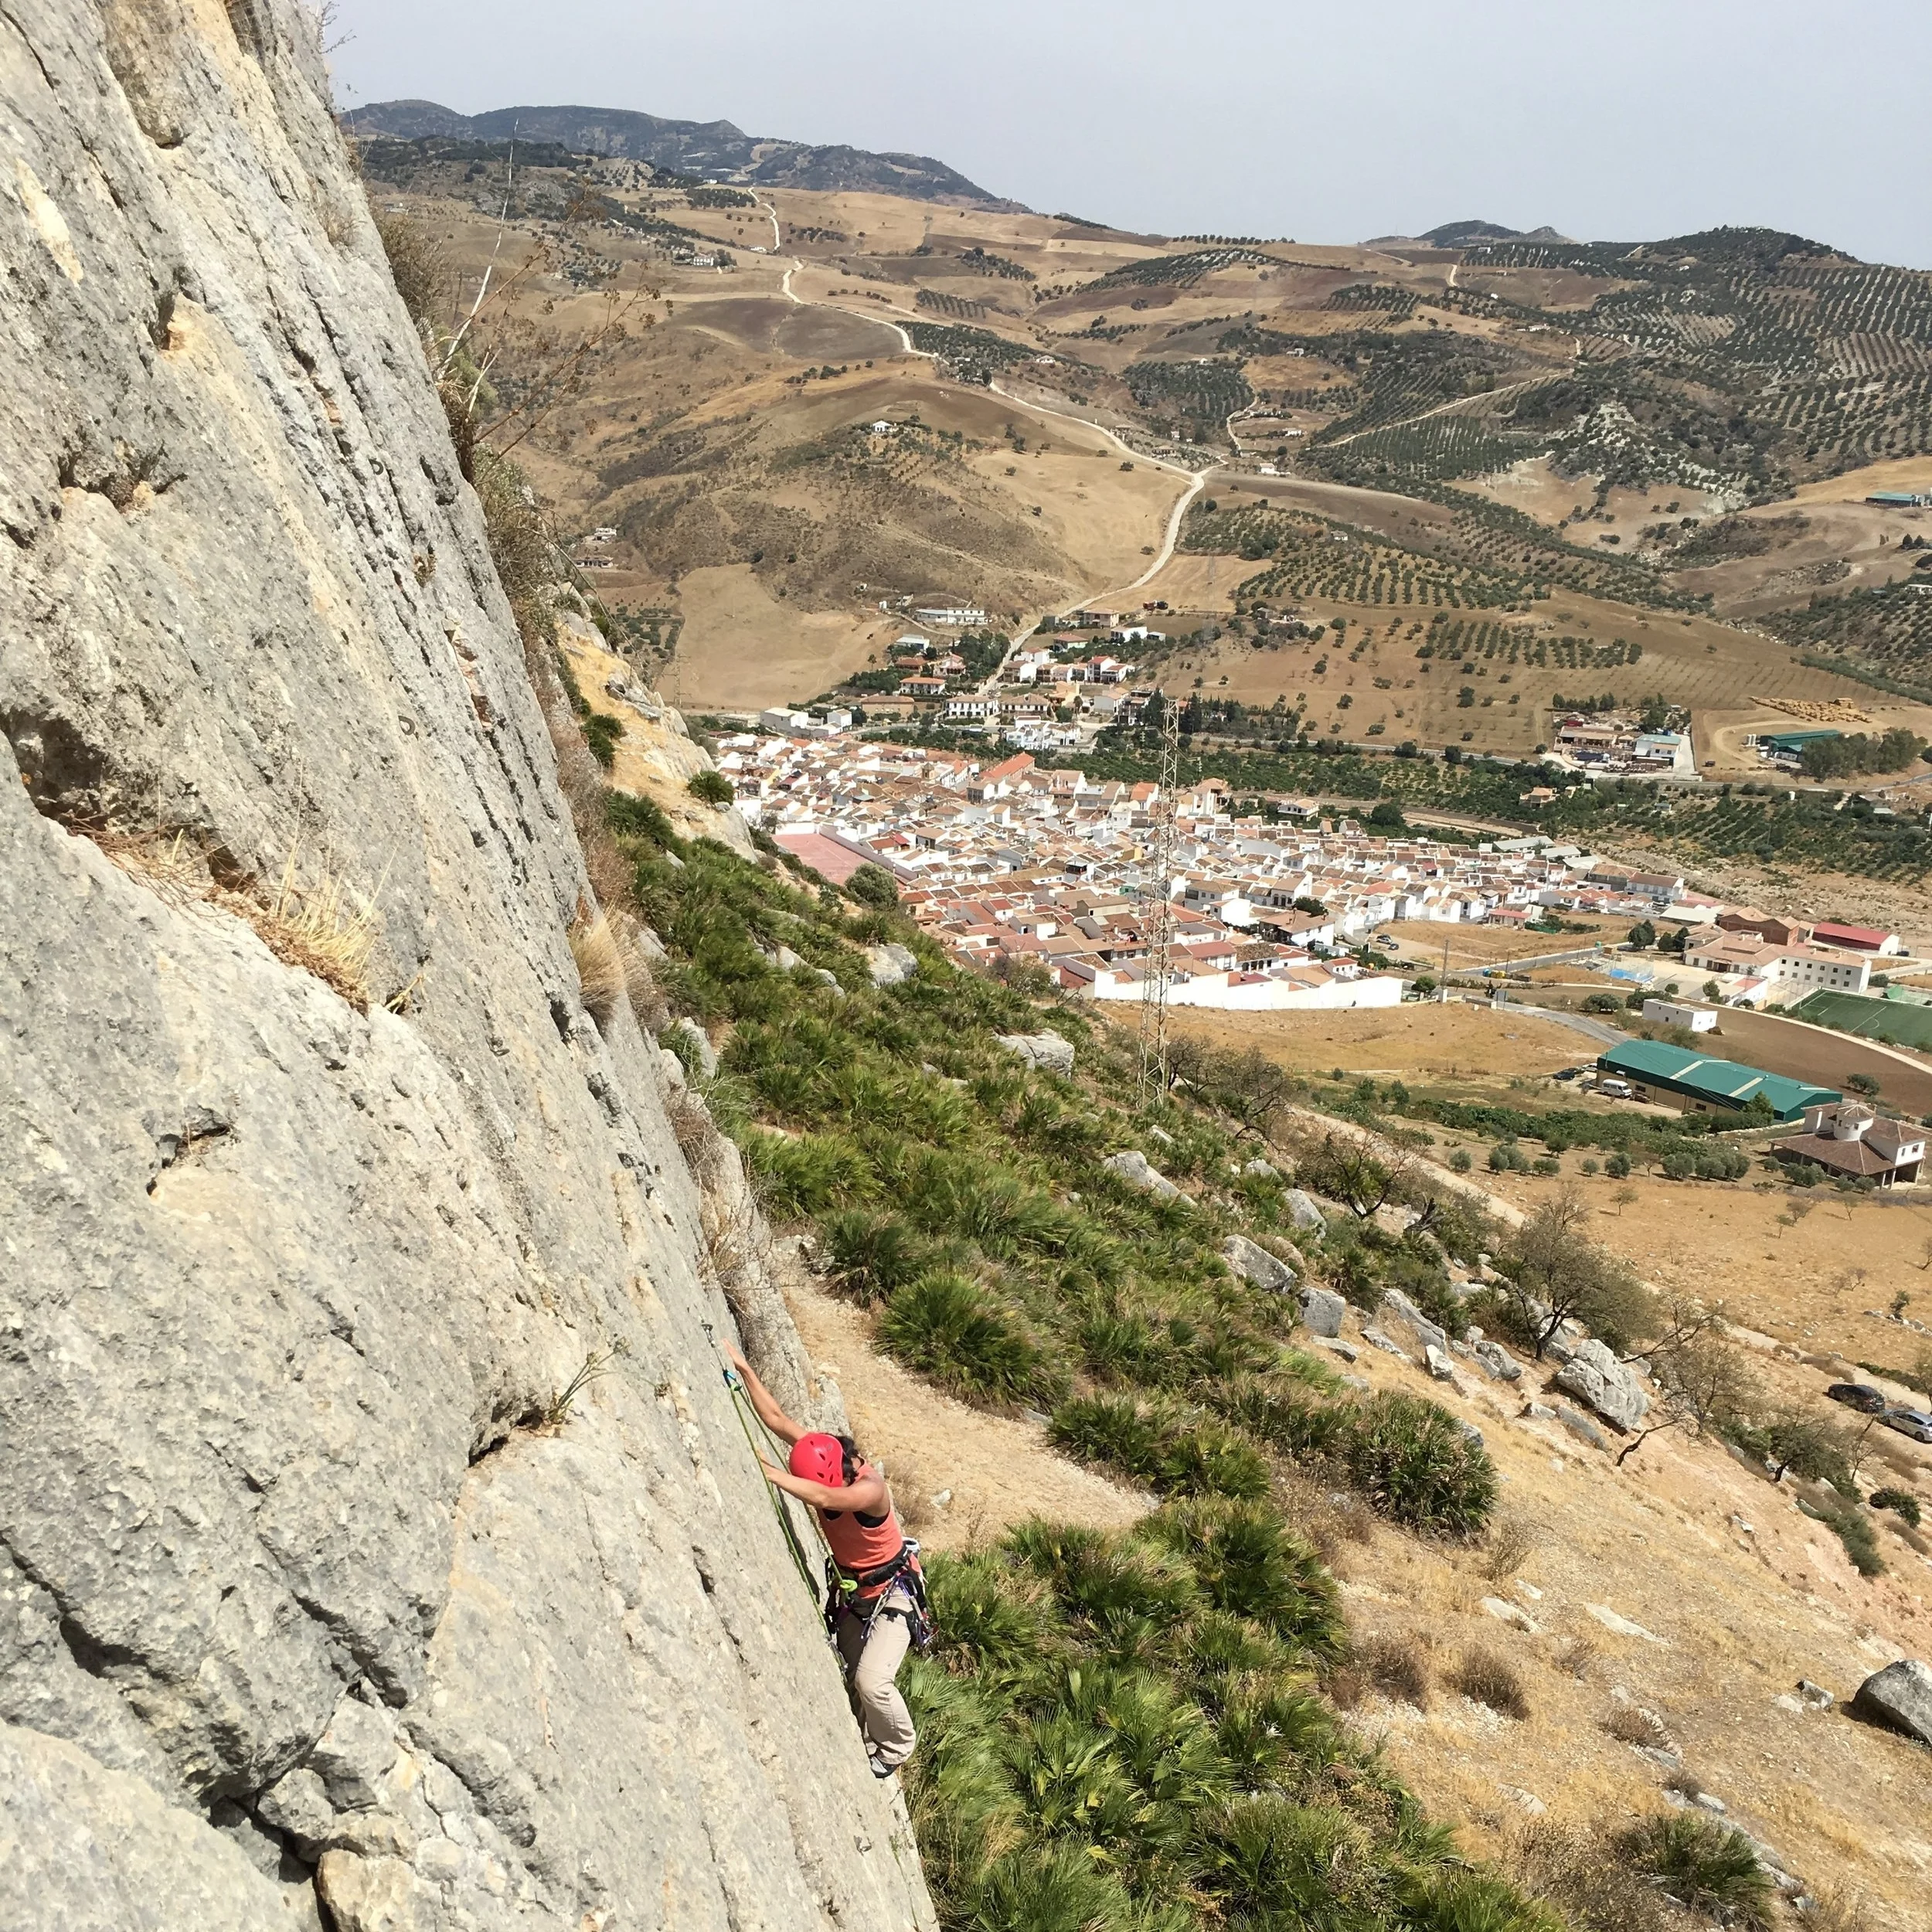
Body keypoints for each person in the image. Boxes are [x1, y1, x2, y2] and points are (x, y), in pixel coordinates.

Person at [726, 1344, 922, 1778]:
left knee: (872, 1680)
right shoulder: (822, 1452)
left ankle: (896, 1746)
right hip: (856, 1593)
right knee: (854, 1676)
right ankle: (866, 1740)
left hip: (893, 1595)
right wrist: (744, 1368)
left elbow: (830, 1498)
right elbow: (776, 1419)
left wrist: (776, 1475)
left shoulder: (870, 1489)